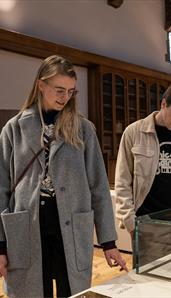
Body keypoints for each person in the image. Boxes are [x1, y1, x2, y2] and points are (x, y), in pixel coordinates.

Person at [0, 55, 128, 297]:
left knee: (73, 290)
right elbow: (1, 189)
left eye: (71, 91)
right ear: (40, 85)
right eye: (59, 90)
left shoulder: (83, 129)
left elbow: (99, 187)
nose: (65, 97)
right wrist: (0, 245)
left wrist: (109, 242)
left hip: (70, 226)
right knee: (33, 290)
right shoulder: (14, 128)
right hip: (26, 228)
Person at [114, 82, 171, 257]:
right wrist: (130, 223)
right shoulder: (133, 132)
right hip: (147, 224)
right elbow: (122, 181)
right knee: (149, 281)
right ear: (163, 104)